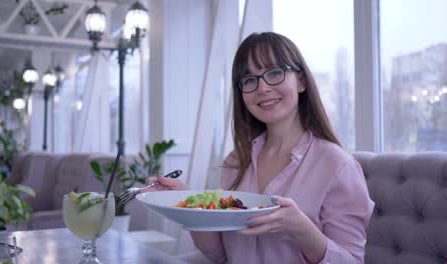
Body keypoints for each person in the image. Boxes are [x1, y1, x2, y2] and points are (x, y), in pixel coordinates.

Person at [147, 32, 374, 264]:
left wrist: (302, 228)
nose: (262, 88)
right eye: (249, 80)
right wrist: (189, 203)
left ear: (302, 81)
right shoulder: (236, 162)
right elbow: (221, 256)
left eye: (275, 72)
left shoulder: (337, 165)